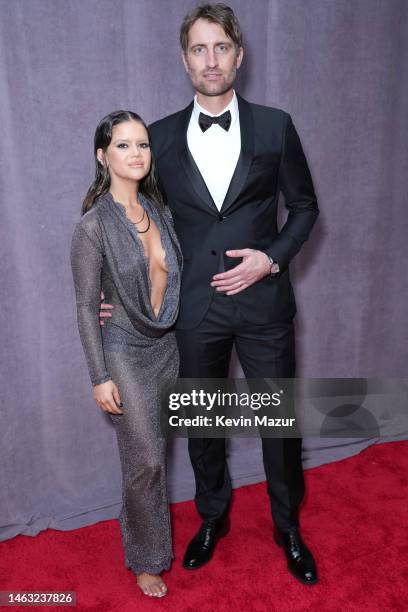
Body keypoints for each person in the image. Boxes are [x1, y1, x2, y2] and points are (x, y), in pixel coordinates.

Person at [100, 3, 319, 585]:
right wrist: (118, 294)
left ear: (239, 56)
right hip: (192, 308)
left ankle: (287, 528)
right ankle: (212, 517)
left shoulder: (276, 126)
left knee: (279, 423)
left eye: (221, 47)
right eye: (199, 49)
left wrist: (271, 259)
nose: (211, 59)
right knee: (204, 424)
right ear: (185, 60)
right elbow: (134, 219)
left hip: (264, 302)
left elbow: (304, 207)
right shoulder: (161, 137)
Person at [70, 111, 182, 598]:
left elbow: (170, 282)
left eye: (142, 144)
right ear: (103, 156)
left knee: (155, 455)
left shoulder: (160, 211)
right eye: (123, 145)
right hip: (123, 352)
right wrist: (99, 376)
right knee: (146, 462)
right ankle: (147, 559)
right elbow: (84, 304)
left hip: (166, 348)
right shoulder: (93, 227)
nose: (136, 153)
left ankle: (143, 536)